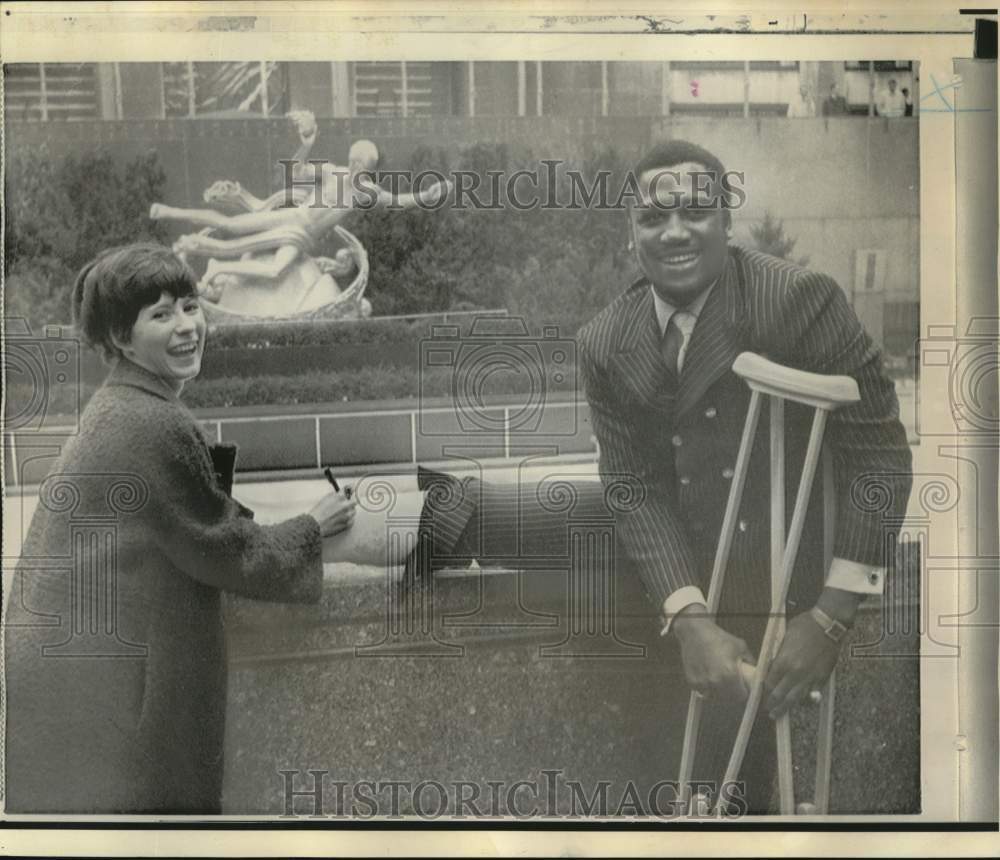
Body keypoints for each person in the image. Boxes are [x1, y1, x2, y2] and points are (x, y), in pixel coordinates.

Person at [575, 139, 912, 811]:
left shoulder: (796, 300)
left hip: (784, 581)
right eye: (652, 218)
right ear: (630, 235)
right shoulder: (605, 341)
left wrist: (832, 617)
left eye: (696, 212)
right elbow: (633, 485)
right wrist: (688, 617)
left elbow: (879, 455)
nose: (673, 231)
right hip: (676, 591)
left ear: (727, 221)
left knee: (763, 800)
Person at [3, 244, 357, 814]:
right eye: (160, 315)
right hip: (101, 703)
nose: (187, 327)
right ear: (121, 337)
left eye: (190, 306)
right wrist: (313, 526)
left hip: (67, 689)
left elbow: (183, 523)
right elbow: (227, 551)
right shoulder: (151, 423)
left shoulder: (118, 407)